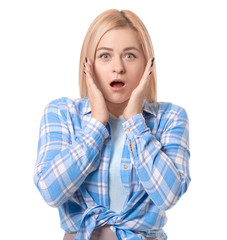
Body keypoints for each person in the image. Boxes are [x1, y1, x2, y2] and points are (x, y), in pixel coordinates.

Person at [33, 9, 191, 240]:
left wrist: (136, 122)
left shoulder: (171, 117)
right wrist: (97, 124)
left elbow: (167, 197)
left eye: (130, 55)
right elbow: (50, 191)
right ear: (88, 64)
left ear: (147, 65)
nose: (118, 67)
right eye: (105, 56)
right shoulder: (61, 113)